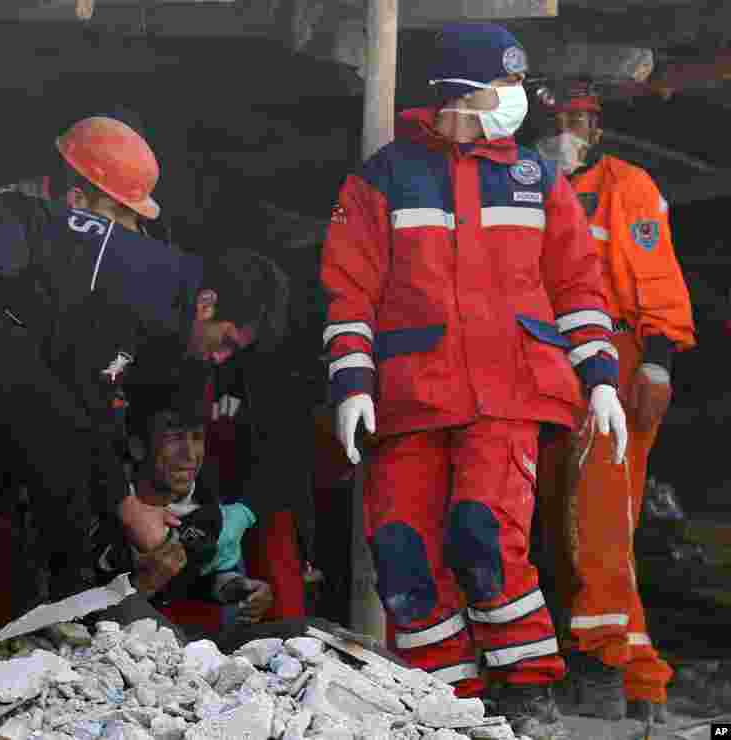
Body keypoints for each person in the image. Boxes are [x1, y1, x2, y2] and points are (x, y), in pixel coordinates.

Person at [0, 115, 288, 643]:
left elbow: (81, 399)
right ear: (207, 304)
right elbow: (73, 409)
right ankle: (10, 624)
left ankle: (6, 620)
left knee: (23, 436)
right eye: (228, 342)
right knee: (32, 430)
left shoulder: (137, 276)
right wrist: (128, 512)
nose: (219, 359)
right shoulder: (144, 284)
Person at [321, 23, 629, 737]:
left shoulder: (536, 178)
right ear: (463, 91)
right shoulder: (382, 180)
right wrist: (353, 386)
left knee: (483, 535)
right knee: (401, 553)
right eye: (508, 84)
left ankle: (528, 694)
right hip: (409, 399)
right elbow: (348, 294)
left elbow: (579, 287)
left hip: (510, 392)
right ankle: (445, 707)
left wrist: (603, 378)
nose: (520, 100)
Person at [534, 82, 696, 724]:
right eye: (564, 120)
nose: (575, 131)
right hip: (540, 362)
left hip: (617, 363)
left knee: (601, 518)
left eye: (584, 121)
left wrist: (657, 362)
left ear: (599, 130)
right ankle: (592, 660)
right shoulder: (523, 184)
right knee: (543, 519)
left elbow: (657, 279)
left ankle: (610, 665)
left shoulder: (628, 186)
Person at [90, 364, 275, 629]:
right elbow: (79, 621)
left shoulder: (208, 511)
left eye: (197, 437)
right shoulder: (102, 511)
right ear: (138, 446)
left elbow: (203, 575)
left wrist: (238, 588)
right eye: (175, 437)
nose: (190, 455)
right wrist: (143, 584)